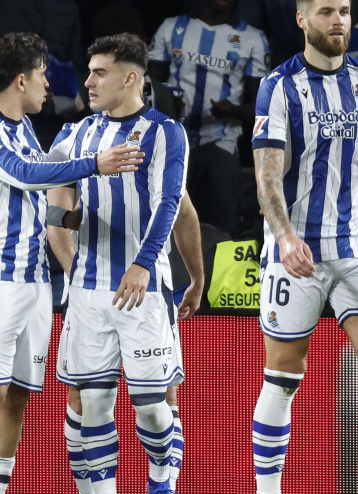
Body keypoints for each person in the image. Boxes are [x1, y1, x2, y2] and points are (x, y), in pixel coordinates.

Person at [0, 32, 143, 494]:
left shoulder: (21, 129)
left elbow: (27, 199)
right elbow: (27, 175)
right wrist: (93, 164)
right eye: (42, 74)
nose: (48, 85)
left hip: (36, 280)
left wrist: (68, 216)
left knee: (17, 396)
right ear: (21, 79)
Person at [45, 32, 188, 494]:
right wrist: (71, 250)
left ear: (130, 78)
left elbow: (170, 203)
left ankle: (162, 479)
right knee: (95, 404)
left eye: (99, 72)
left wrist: (143, 263)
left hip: (142, 289)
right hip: (88, 291)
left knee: (150, 405)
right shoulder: (76, 133)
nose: (87, 81)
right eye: (89, 72)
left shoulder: (165, 131)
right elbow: (55, 208)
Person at [250, 1, 358, 493]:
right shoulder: (279, 86)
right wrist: (286, 236)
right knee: (281, 379)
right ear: (301, 20)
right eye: (326, 11)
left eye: (345, 10)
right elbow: (268, 175)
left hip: (354, 246)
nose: (338, 20)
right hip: (298, 256)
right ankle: (267, 490)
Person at [49, 190, 203, 494]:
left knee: (159, 398)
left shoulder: (157, 144)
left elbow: (183, 210)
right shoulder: (70, 145)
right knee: (84, 400)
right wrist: (84, 278)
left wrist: (197, 279)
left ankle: (162, 482)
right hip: (89, 292)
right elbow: (56, 220)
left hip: (150, 291)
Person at [149, 0, 270, 234]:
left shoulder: (253, 38)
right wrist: (162, 106)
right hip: (173, 141)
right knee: (166, 220)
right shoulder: (171, 27)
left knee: (225, 223)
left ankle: (223, 269)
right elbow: (147, 86)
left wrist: (233, 110)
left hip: (221, 140)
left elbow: (261, 108)